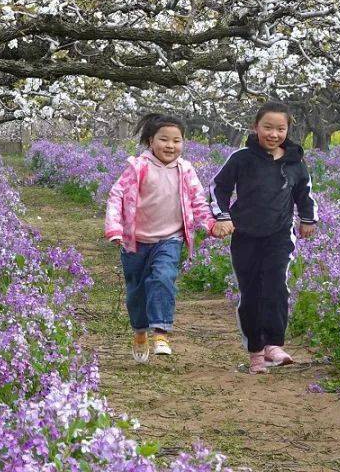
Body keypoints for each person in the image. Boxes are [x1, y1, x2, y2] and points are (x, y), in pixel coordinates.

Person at [209, 101, 319, 374]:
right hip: (245, 234)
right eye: (267, 127)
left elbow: (304, 193)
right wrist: (222, 216)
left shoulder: (294, 161)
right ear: (255, 127)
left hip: (280, 234)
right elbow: (218, 188)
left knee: (276, 285)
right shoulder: (241, 158)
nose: (273, 134)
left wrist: (308, 219)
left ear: (288, 130)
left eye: (280, 128)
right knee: (251, 292)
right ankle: (256, 352)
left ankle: (274, 344)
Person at [104, 113, 216, 363]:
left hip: (169, 239)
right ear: (150, 141)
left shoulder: (185, 170)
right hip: (135, 241)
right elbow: (116, 196)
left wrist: (209, 224)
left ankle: (161, 332)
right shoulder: (138, 167)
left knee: (163, 277)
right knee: (136, 292)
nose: (170, 145)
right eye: (164, 139)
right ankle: (140, 332)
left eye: (177, 141)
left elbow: (198, 201)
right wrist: (114, 229)